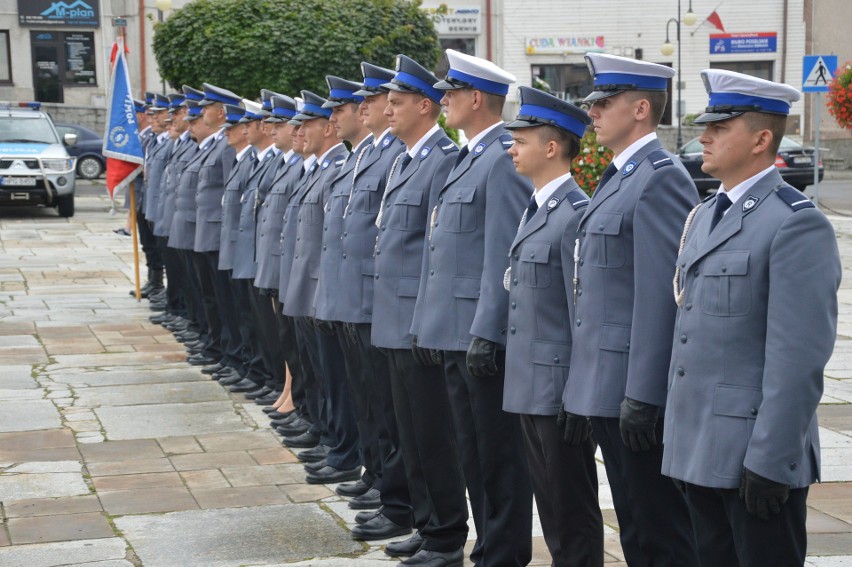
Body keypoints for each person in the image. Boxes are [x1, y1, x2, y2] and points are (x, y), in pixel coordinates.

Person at [663, 69, 841, 567]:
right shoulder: (704, 215)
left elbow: (798, 360)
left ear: (761, 139)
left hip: (752, 457)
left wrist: (770, 460)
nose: (705, 136)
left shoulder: (794, 222)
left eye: (720, 127)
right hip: (698, 448)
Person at [563, 52, 700, 566]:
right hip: (607, 384)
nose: (592, 112)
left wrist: (643, 393)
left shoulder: (659, 177)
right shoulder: (622, 174)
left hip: (633, 390)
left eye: (604, 102)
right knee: (636, 526)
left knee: (661, 530)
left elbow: (662, 294)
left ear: (641, 108)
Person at [411, 49, 533, 566]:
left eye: (451, 92)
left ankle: (502, 553)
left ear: (476, 98)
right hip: (453, 332)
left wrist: (489, 330)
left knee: (497, 458)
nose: (443, 100)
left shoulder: (501, 160)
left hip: (479, 335)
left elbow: (503, 255)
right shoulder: (468, 158)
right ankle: (487, 548)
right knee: (473, 453)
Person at [371, 53, 468, 565]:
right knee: (410, 431)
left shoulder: (439, 162)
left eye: (397, 102)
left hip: (417, 321)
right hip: (393, 316)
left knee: (432, 434)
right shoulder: (405, 159)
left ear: (425, 108)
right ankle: (427, 524)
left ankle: (446, 533)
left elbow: (437, 251)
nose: (388, 110)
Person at [503, 86, 604, 566]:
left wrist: (577, 394)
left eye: (521, 140)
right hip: (529, 379)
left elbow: (581, 312)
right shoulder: (537, 208)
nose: (512, 148)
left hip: (557, 386)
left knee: (570, 504)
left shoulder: (573, 215)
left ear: (550, 147)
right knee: (549, 500)